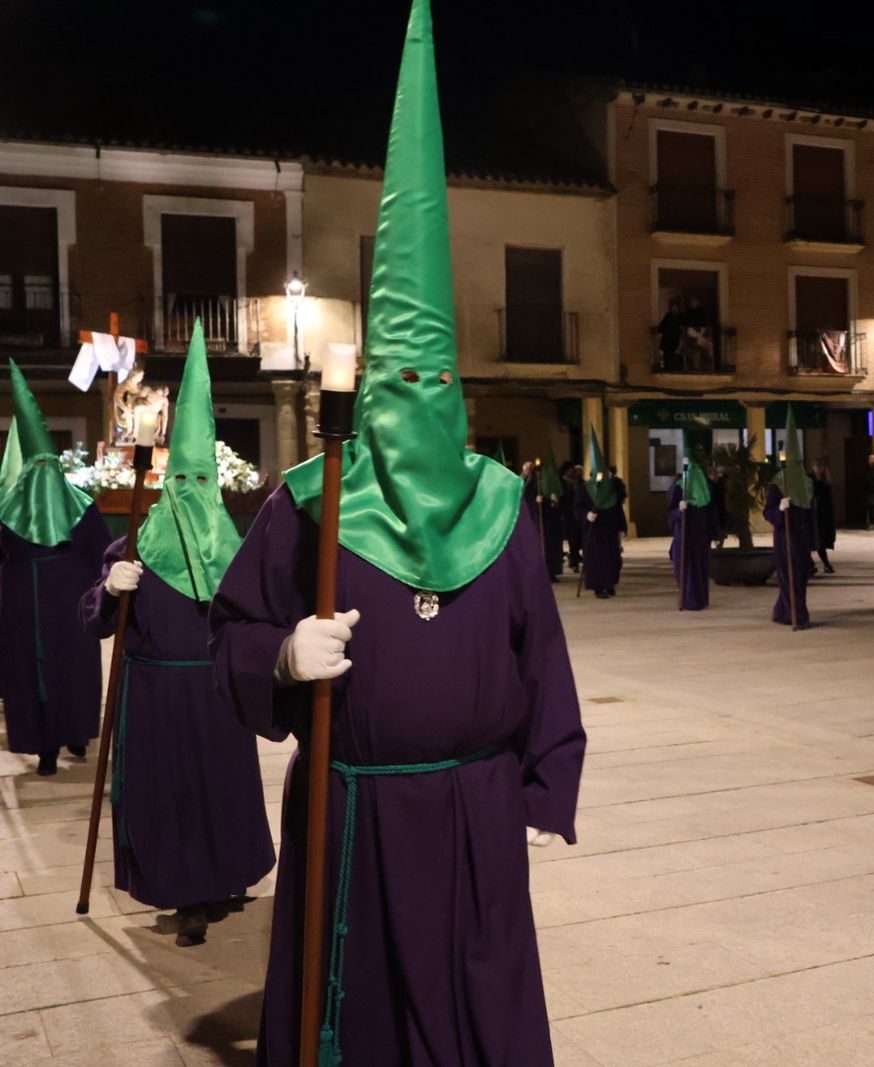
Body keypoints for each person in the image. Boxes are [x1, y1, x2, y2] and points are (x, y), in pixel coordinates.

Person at [209, 5, 587, 1058]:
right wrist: (281, 653)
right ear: (373, 390)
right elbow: (229, 635)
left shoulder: (503, 505)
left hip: (473, 819)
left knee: (475, 1018)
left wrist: (541, 780)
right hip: (353, 819)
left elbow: (541, 654)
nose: (418, 399)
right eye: (400, 381)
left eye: (436, 382)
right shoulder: (311, 499)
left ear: (457, 392)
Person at [79, 322, 274, 946]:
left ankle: (226, 880)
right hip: (157, 700)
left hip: (218, 699)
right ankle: (186, 894)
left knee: (220, 791)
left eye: (201, 484)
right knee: (174, 797)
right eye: (181, 483)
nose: (191, 495)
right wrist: (111, 589)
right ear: (167, 484)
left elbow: (263, 619)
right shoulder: (132, 543)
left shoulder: (237, 553)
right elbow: (94, 619)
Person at [0, 361, 110, 776]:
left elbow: (102, 552)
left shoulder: (80, 505)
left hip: (70, 603)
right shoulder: (7, 509)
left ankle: (76, 733)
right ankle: (44, 746)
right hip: (23, 603)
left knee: (72, 670)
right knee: (32, 673)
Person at [765, 415, 814, 628]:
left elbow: (813, 515)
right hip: (785, 536)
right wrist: (779, 510)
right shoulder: (778, 483)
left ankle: (783, 611)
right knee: (788, 576)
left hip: (801, 536)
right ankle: (796, 614)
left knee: (800, 576)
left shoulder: (807, 483)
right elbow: (768, 511)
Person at [579, 431, 627, 599]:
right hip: (594, 531)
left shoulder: (612, 490)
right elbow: (577, 508)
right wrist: (586, 515)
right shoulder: (585, 489)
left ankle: (610, 583)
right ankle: (599, 587)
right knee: (597, 559)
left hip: (609, 530)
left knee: (613, 559)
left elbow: (618, 508)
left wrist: (621, 527)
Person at [668, 456, 719, 611]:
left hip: (700, 537)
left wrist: (715, 534)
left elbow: (712, 515)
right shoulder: (678, 489)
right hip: (684, 536)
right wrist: (679, 510)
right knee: (686, 567)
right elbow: (670, 514)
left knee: (699, 568)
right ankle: (688, 599)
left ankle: (699, 599)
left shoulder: (705, 493)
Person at [524, 453, 565, 582]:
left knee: (551, 548)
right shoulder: (532, 484)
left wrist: (554, 502)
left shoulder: (550, 484)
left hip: (551, 522)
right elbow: (525, 499)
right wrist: (536, 503)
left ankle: (551, 571)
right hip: (538, 521)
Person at [810, 457, 837, 574]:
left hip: (821, 515)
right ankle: (811, 564)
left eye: (820, 467)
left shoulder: (826, 482)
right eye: (817, 466)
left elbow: (828, 501)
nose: (818, 469)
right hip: (812, 514)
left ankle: (826, 564)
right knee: (810, 540)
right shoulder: (810, 479)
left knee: (820, 541)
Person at [560, 460, 584, 574]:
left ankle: (574, 556)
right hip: (568, 514)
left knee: (579, 539)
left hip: (578, 514)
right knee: (572, 540)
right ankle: (574, 561)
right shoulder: (561, 482)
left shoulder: (578, 481)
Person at [655, 297, 684, 370]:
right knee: (668, 357)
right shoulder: (668, 317)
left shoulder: (679, 318)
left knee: (672, 357)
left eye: (675, 308)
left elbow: (680, 330)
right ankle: (668, 368)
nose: (674, 310)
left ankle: (672, 368)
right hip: (668, 341)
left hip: (673, 341)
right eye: (673, 308)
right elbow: (662, 327)